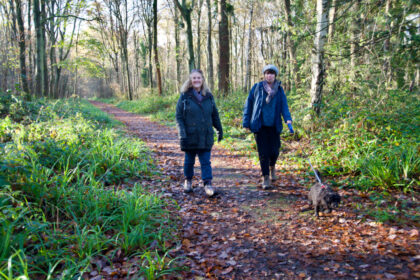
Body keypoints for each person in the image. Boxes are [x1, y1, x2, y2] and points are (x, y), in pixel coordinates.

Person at [242, 64, 292, 189]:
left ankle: (272, 166)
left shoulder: (279, 90)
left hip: (274, 125)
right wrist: (246, 122)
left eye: (272, 73)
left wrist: (288, 120)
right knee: (263, 153)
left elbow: (284, 106)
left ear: (275, 75)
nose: (269, 75)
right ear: (264, 75)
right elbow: (248, 105)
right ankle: (265, 178)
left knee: (275, 151)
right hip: (260, 125)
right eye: (267, 73)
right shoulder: (257, 88)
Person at [175, 69, 223, 197]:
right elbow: (178, 117)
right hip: (190, 135)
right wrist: (182, 134)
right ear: (190, 80)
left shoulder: (209, 96)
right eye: (194, 78)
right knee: (189, 161)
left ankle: (207, 184)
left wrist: (219, 129)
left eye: (199, 78)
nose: (196, 80)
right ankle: (188, 181)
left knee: (206, 161)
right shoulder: (184, 96)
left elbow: (215, 115)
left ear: (202, 80)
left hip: (206, 134)